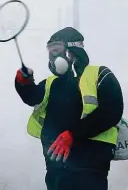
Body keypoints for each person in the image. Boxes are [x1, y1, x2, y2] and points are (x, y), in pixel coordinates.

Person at [15, 27, 124, 190]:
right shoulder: (51, 83)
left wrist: (73, 134)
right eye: (50, 52)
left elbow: (112, 110)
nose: (53, 56)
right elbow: (32, 97)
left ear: (73, 50)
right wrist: (24, 83)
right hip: (57, 168)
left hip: (90, 166)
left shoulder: (99, 74)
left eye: (57, 50)